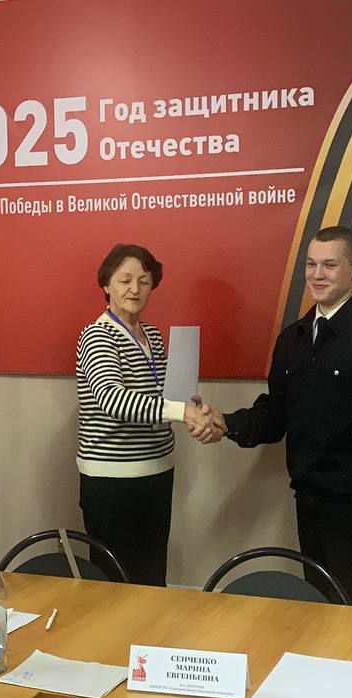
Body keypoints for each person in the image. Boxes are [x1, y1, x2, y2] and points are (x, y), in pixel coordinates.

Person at [204, 226, 352, 609]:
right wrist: (228, 423)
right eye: (311, 264)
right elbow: (275, 414)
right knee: (320, 611)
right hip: (309, 503)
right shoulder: (293, 338)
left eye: (329, 265)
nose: (317, 274)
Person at [76, 243, 217, 587]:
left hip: (157, 470)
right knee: (116, 584)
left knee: (152, 578)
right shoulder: (98, 335)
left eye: (144, 281)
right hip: (113, 478)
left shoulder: (151, 335)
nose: (134, 289)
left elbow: (161, 399)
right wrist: (181, 411)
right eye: (124, 280)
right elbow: (114, 400)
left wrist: (192, 406)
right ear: (106, 284)